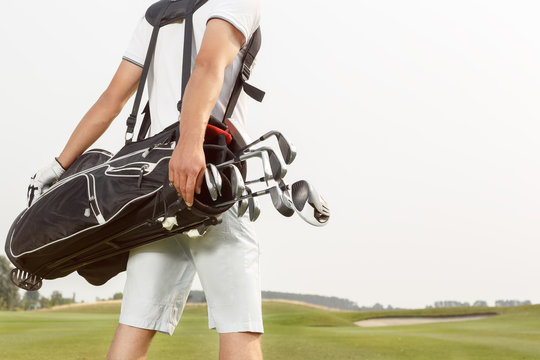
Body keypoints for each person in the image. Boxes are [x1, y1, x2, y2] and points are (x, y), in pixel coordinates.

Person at [27, 0, 264, 359]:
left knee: (135, 324)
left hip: (151, 192)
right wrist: (188, 142)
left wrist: (61, 165)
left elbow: (112, 99)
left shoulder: (158, 13)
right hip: (210, 180)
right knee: (238, 323)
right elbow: (207, 64)